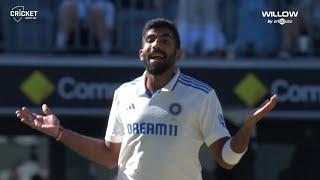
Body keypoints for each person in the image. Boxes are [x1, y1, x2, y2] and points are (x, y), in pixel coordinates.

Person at [16, 18, 277, 180]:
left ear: (178, 54)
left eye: (165, 40)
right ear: (142, 53)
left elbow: (227, 159)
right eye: (151, 40)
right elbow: (110, 157)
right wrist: (60, 133)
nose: (156, 45)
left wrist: (245, 129)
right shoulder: (124, 93)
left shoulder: (202, 95)